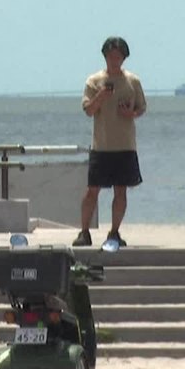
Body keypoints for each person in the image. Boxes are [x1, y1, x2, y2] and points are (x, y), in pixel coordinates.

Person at [74, 36, 147, 248]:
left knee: (121, 190)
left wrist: (130, 113)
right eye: (111, 56)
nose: (115, 60)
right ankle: (84, 232)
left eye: (119, 57)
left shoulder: (133, 81)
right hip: (101, 146)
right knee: (92, 191)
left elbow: (142, 107)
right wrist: (101, 96)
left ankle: (114, 232)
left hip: (125, 145)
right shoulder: (94, 81)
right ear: (105, 57)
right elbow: (88, 110)